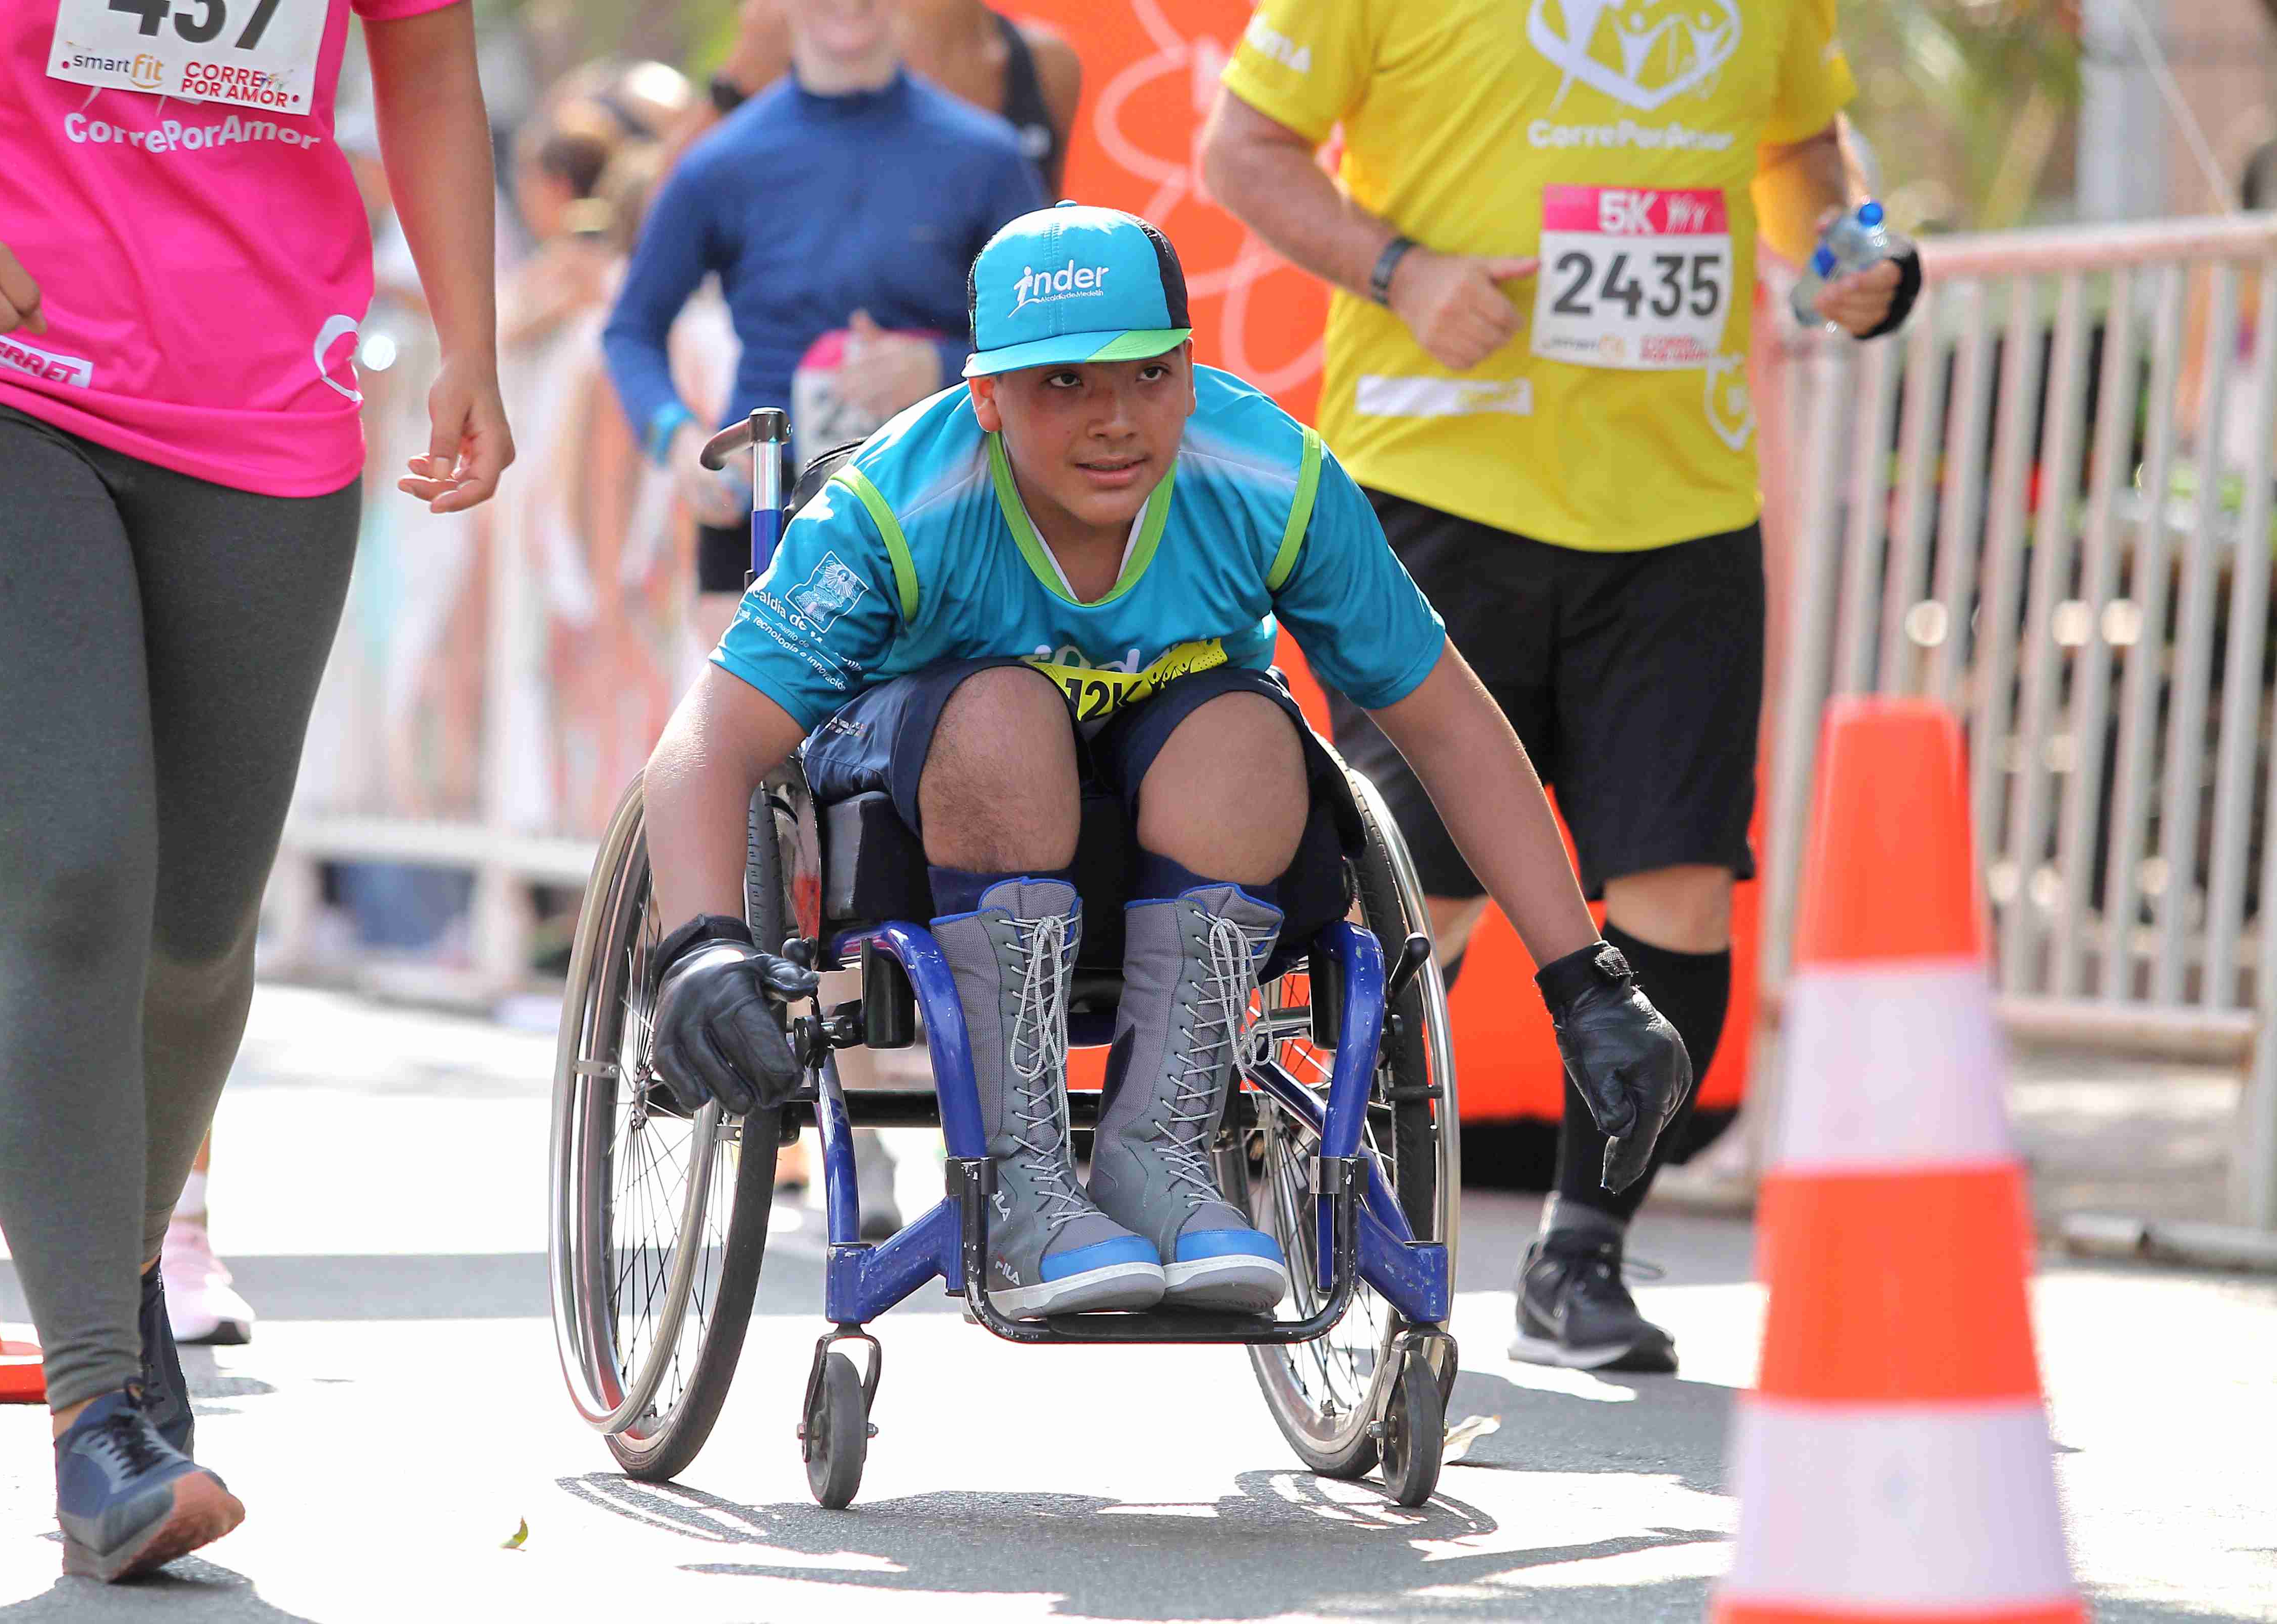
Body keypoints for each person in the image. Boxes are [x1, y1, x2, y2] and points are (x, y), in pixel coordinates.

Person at [636, 202, 1690, 1322]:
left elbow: (1447, 721)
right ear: (985, 398)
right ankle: (1027, 1178)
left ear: (1192, 371)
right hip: (929, 807)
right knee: (1007, 708)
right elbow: (708, 743)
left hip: (1168, 825)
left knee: (1251, 730)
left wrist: (1585, 980)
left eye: (1148, 376)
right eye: (1064, 385)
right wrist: (701, 944)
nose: (1115, 421)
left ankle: (1160, 1150)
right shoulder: (896, 505)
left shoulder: (1272, 479)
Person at [0, 0, 511, 1583]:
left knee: (201, 924)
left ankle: (120, 1276)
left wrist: (469, 345)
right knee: (71, 869)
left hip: (261, 400)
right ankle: (96, 1412)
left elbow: (422, 61)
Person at [1201, 0, 1918, 1370]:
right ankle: (1307, 1159)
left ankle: (1579, 1255)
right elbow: (1246, 150)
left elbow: (1798, 146)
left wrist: (1839, 245)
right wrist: (1400, 269)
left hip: (1682, 498)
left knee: (1679, 885)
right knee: (1436, 875)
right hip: (1439, 479)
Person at [604, 0, 1047, 650]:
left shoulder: (987, 156)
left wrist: (943, 365)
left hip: (943, 503)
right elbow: (631, 329)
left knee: (948, 737)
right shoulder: (719, 164)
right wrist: (680, 442)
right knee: (754, 750)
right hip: (765, 513)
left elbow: (1048, 342)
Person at [676, 0, 1079, 198]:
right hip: (838, 346)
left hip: (988, 352)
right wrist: (736, 86)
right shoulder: (812, 38)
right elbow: (657, 222)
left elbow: (1044, 238)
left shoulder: (1046, 63)